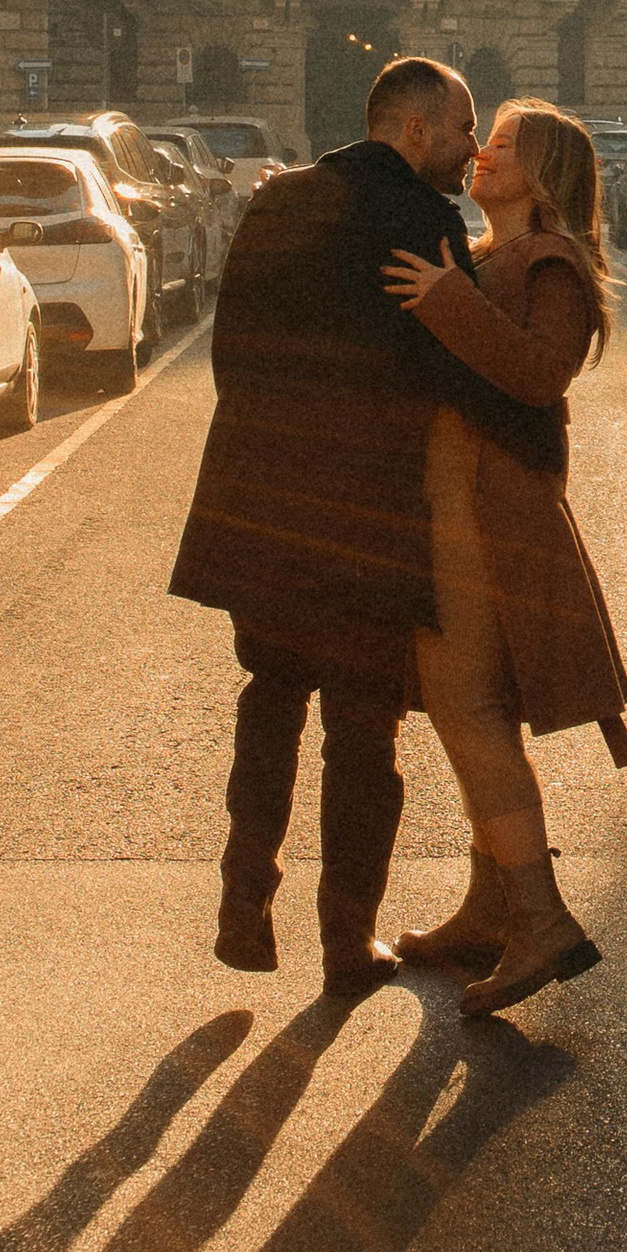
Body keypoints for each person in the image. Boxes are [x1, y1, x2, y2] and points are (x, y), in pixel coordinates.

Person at [167, 54, 486, 998]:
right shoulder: (424, 223)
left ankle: (243, 898)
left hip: (262, 503)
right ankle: (347, 940)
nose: (472, 149)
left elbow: (231, 349)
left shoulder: (279, 201)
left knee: (270, 694)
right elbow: (456, 369)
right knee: (363, 727)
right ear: (417, 128)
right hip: (369, 516)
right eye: (464, 128)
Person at [378, 98, 627, 1015]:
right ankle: (490, 905)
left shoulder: (551, 261)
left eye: (504, 144)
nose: (482, 152)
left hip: (493, 514)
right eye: (482, 139)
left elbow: (538, 374)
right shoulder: (489, 255)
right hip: (452, 501)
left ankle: (539, 915)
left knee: (470, 705)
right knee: (462, 704)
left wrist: (446, 300)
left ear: (544, 174)